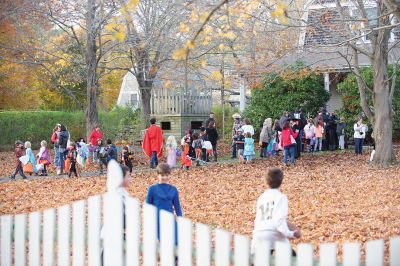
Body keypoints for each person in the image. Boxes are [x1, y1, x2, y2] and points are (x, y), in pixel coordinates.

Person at [251, 168, 301, 255]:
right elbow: (279, 220)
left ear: (266, 181)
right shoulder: (281, 197)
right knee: (292, 258)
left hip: (259, 233)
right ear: (281, 181)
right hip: (274, 233)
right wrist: (290, 233)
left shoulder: (261, 197)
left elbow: (260, 218)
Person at [146, 163, 183, 243]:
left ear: (169, 175)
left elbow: (177, 206)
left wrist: (180, 218)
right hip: (157, 219)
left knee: (176, 241)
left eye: (167, 175)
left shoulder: (173, 189)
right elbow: (147, 206)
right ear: (158, 175)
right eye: (162, 175)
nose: (165, 177)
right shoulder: (152, 189)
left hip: (170, 218)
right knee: (163, 242)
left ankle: (175, 255)